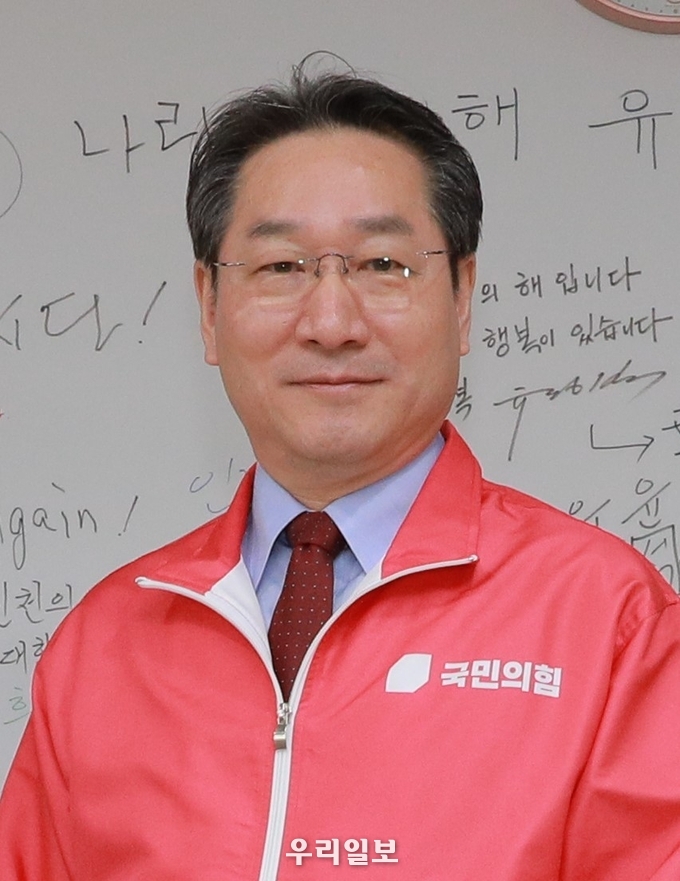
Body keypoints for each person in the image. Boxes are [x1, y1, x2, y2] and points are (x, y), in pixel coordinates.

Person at [1, 60, 679, 881]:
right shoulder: (104, 645)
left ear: (462, 297)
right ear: (209, 308)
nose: (331, 322)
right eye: (281, 267)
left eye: (383, 265)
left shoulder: (611, 623)